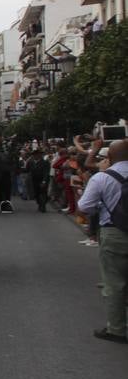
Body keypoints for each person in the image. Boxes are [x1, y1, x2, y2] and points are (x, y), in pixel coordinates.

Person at [77, 139, 128, 343]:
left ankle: (117, 329)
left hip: (114, 233)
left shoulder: (102, 178)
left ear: (110, 157)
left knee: (114, 283)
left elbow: (83, 208)